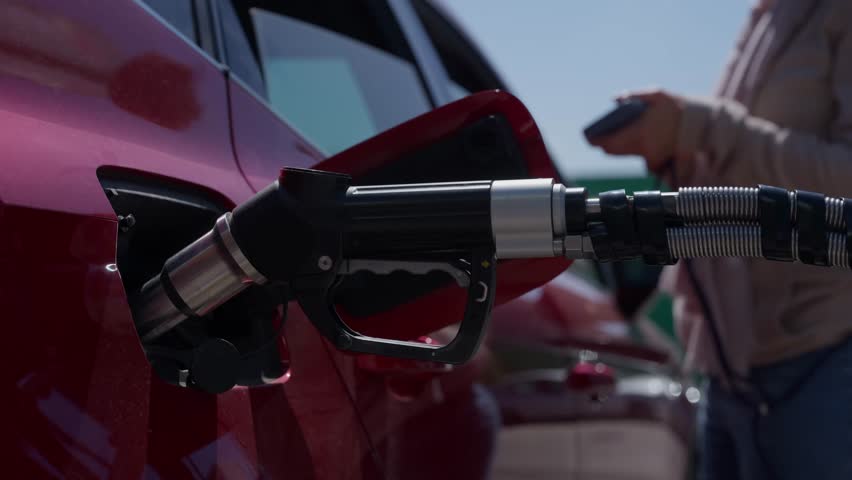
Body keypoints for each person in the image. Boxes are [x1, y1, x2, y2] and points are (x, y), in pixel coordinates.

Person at [587, 0, 852, 479]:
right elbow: (741, 159)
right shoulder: (766, 16)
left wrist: (701, 128)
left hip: (818, 371)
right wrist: (681, 139)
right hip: (729, 368)